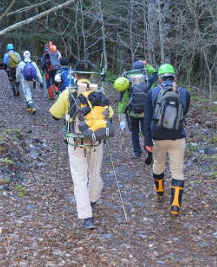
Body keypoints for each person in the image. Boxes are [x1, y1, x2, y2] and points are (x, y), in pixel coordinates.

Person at [49, 59, 114, 230]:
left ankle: (86, 217)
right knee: (95, 173)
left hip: (76, 140)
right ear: (92, 76)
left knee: (79, 178)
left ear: (75, 75)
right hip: (96, 140)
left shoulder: (68, 92)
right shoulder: (99, 92)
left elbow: (55, 115)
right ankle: (92, 200)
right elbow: (110, 115)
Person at [143, 64, 191, 216]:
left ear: (160, 78)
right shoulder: (184, 92)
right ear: (174, 77)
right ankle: (175, 205)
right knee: (177, 169)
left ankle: (160, 190)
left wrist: (147, 142)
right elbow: (184, 112)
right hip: (178, 136)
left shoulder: (153, 92)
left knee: (159, 163)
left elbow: (147, 118)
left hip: (158, 137)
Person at [116, 61, 154, 159]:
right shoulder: (147, 79)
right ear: (143, 68)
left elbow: (122, 100)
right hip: (145, 112)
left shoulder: (127, 81)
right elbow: (155, 74)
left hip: (132, 112)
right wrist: (148, 65)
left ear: (133, 68)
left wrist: (121, 115)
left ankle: (137, 152)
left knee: (134, 132)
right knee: (146, 131)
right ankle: (148, 149)